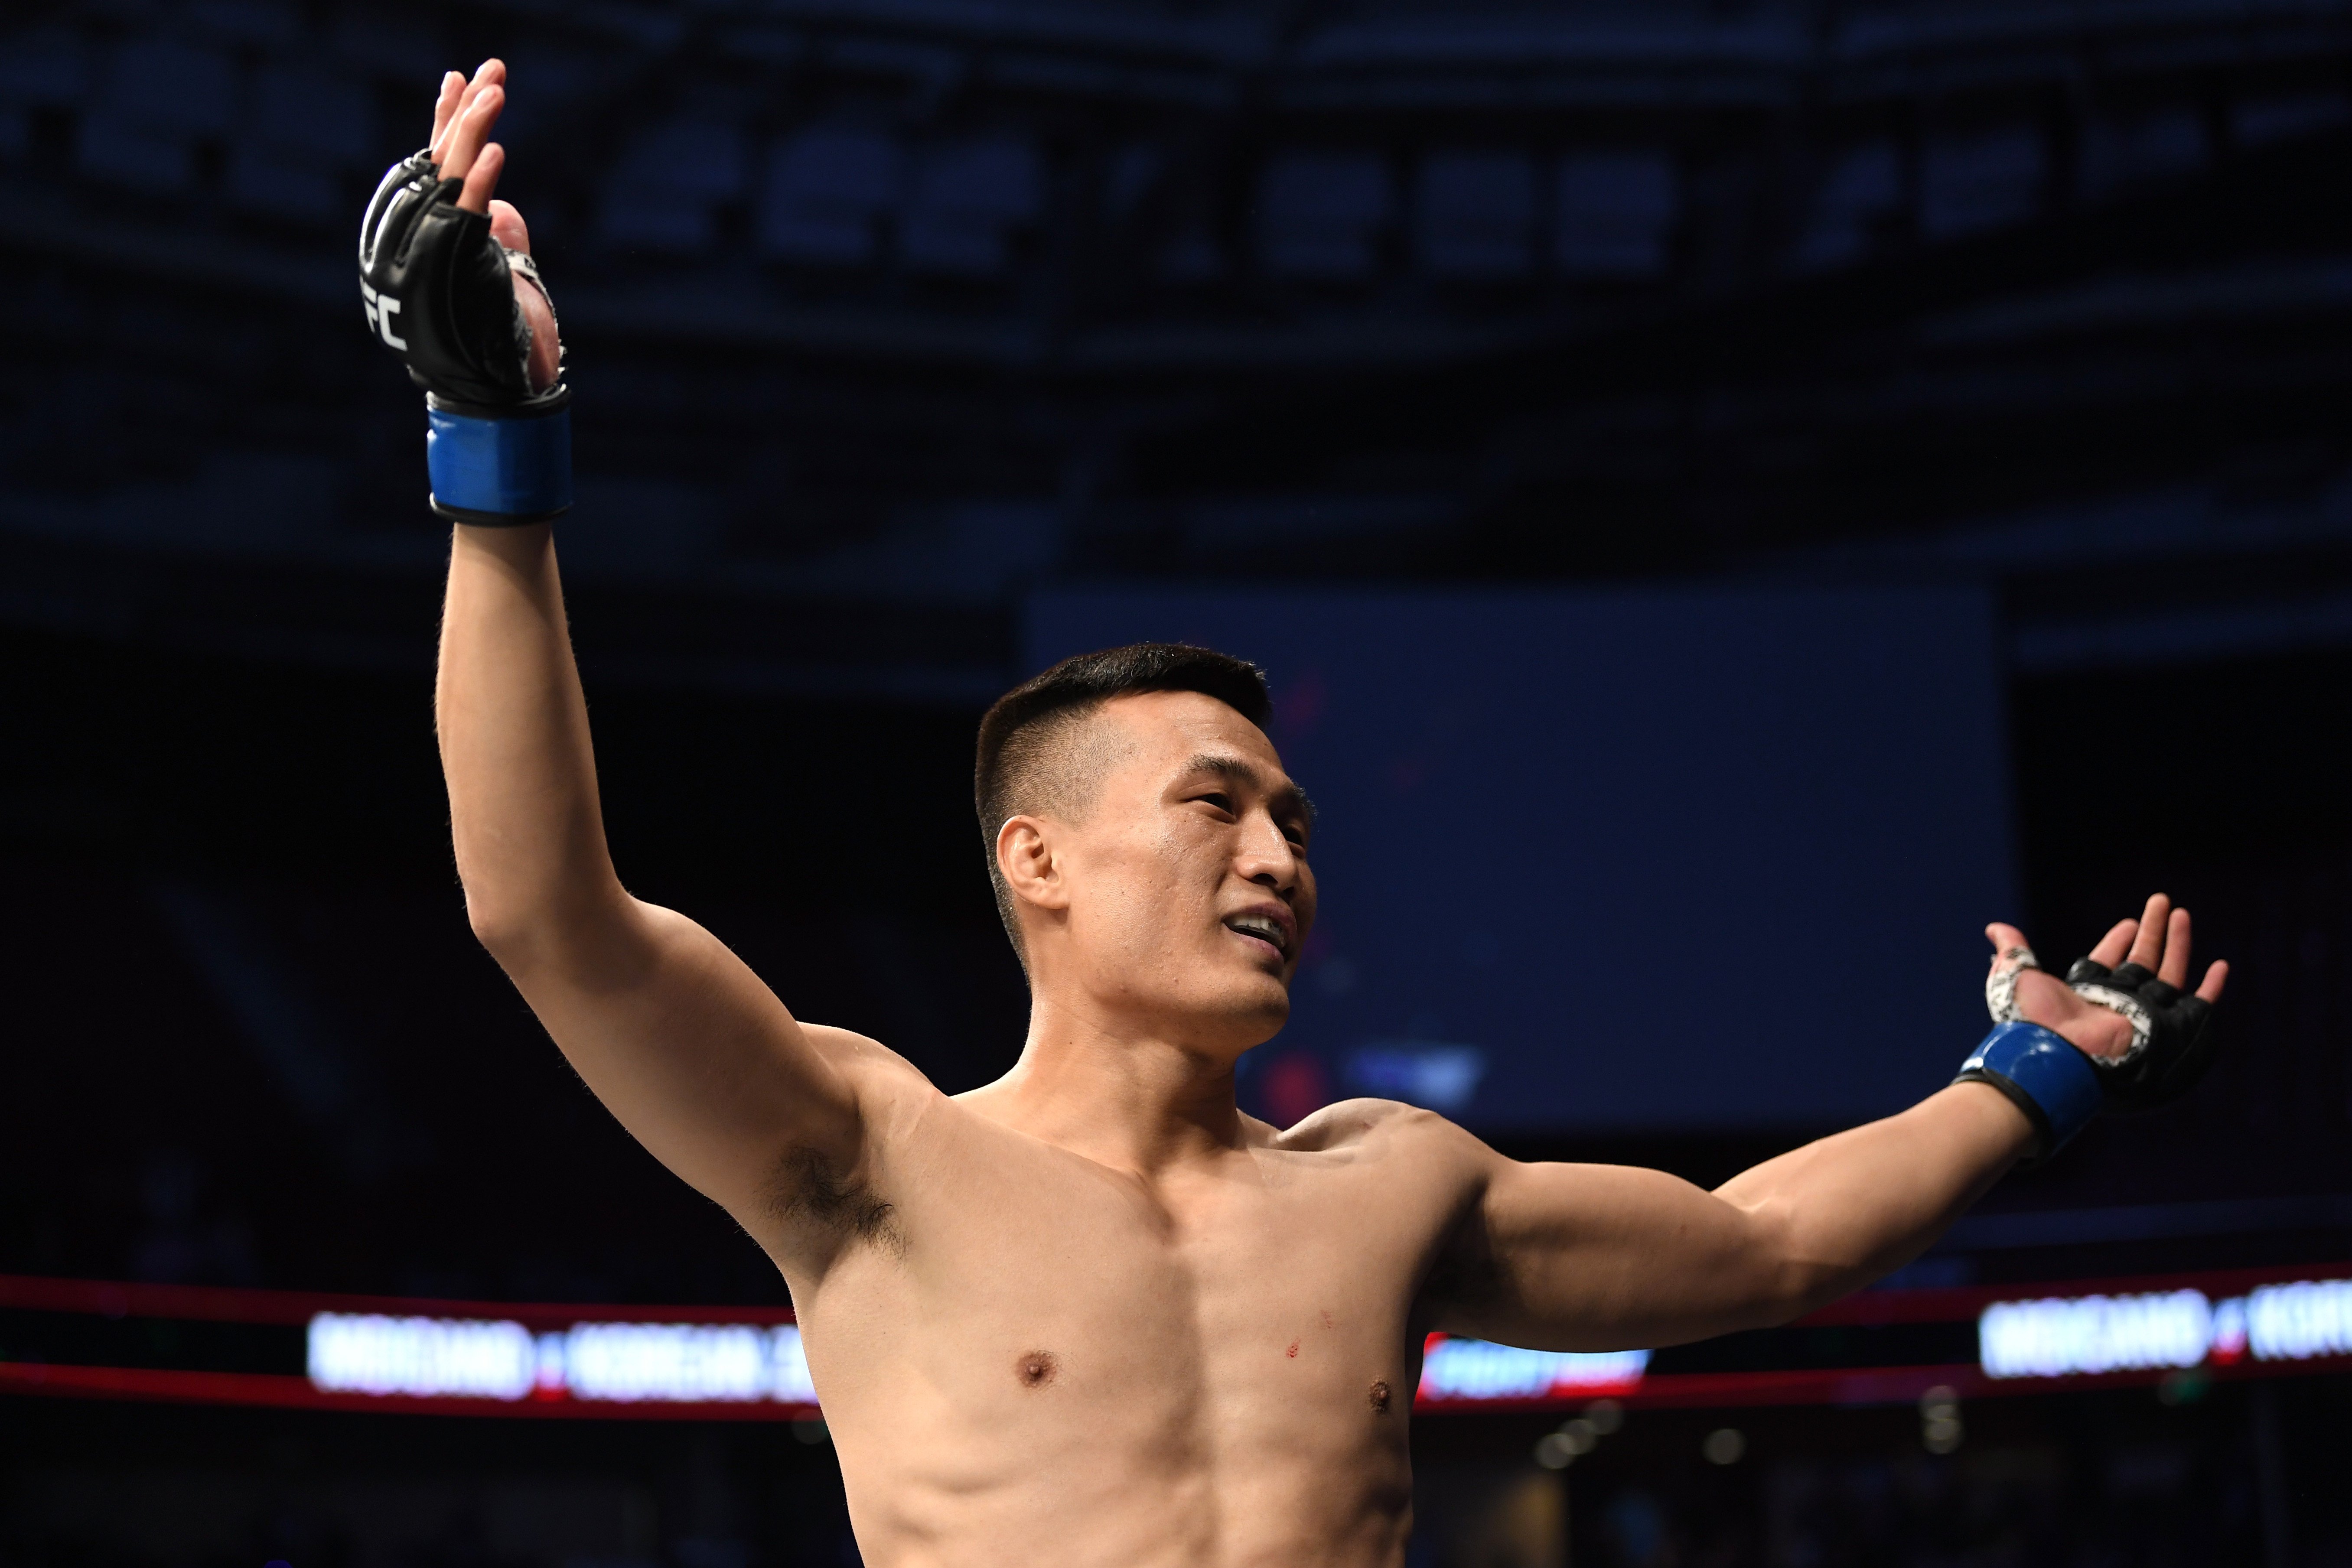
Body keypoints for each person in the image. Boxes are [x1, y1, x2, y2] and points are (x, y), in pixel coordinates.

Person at [381, 62, 2230, 1568]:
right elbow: (548, 912)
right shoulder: (869, 1152)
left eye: (1293, 821)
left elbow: (1766, 1246)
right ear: (1036, 858)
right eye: (1215, 806)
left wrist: (2037, 1070)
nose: (1279, 858)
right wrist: (497, 454)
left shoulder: (1390, 1185)